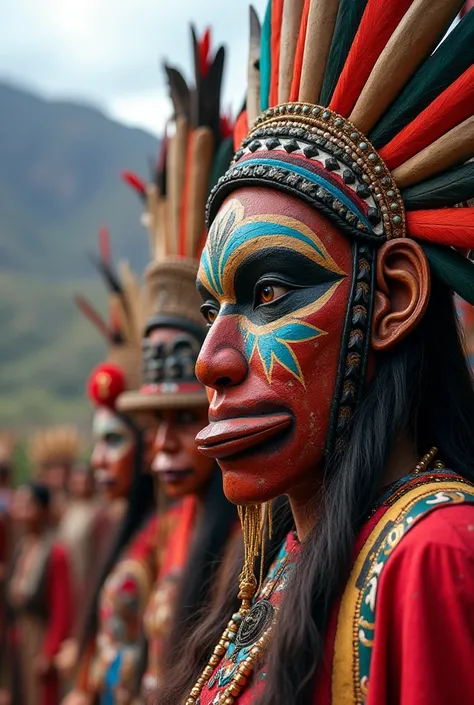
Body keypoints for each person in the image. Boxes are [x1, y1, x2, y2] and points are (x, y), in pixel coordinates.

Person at [158, 2, 474, 704]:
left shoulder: (433, 556)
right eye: (215, 310)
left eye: (269, 291)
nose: (214, 358)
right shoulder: (288, 559)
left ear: (392, 297)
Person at [118, 26, 238, 701]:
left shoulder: (254, 555)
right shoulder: (167, 531)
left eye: (182, 418)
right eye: (153, 424)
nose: (160, 445)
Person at [62, 232, 156, 705]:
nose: (98, 460)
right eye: (97, 444)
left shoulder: (167, 540)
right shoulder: (129, 531)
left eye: (115, 441)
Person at [3, 482, 73, 705]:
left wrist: (49, 651)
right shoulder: (22, 546)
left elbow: (62, 608)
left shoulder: (55, 552)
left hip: (40, 637)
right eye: (19, 504)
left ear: (43, 509)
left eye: (28, 504)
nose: (21, 510)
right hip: (20, 638)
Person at [29, 426, 83, 526]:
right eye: (52, 467)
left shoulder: (82, 508)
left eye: (63, 467)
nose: (59, 473)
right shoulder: (36, 508)